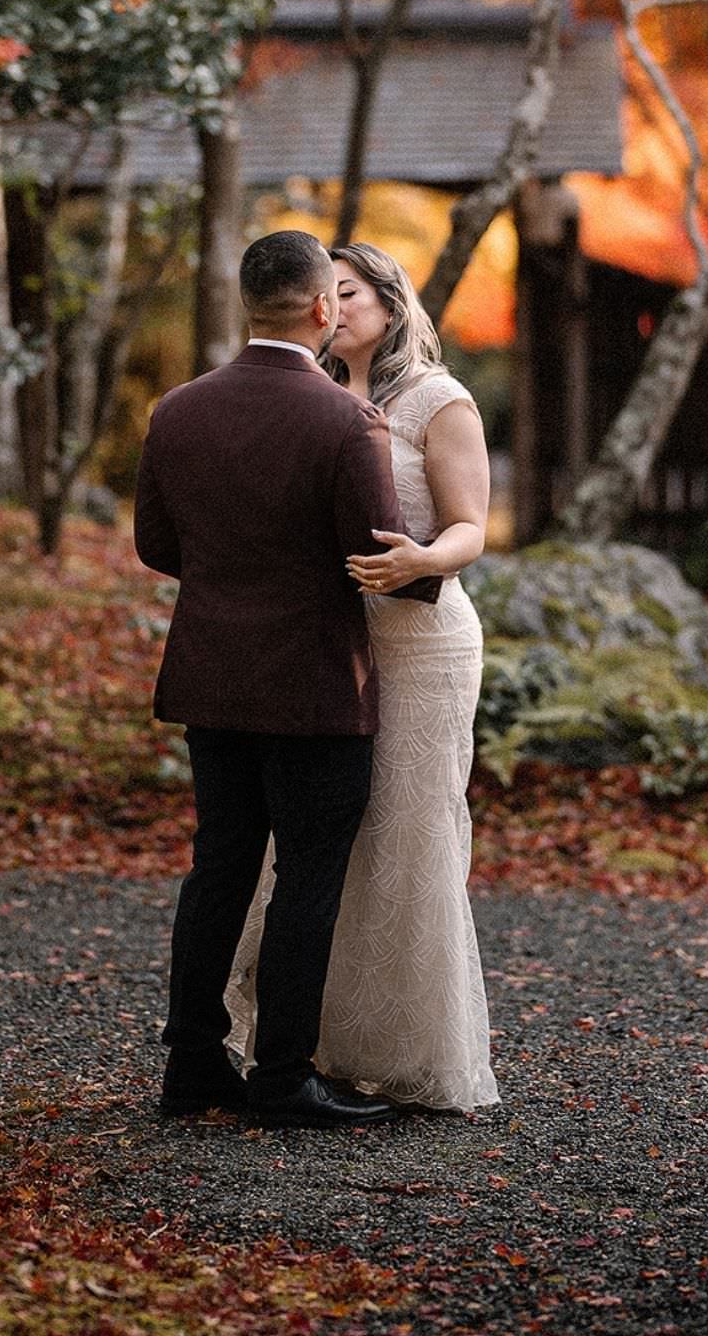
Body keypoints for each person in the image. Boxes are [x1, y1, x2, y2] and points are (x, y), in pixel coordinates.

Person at [133, 229, 441, 1128]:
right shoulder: (349, 422)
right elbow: (375, 553)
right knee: (308, 874)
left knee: (219, 868)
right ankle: (280, 1076)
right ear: (319, 309)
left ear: (244, 302)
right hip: (314, 682)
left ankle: (191, 1064)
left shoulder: (177, 410)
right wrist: (436, 571)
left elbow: (158, 547)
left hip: (212, 678)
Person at [227, 241, 499, 1112]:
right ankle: (320, 1044)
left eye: (351, 292)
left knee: (409, 831)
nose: (335, 307)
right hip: (328, 642)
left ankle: (416, 1053)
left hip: (421, 640)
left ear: (391, 298)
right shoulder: (305, 399)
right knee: (318, 842)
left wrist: (425, 555)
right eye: (325, 295)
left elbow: (472, 527)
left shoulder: (438, 401)